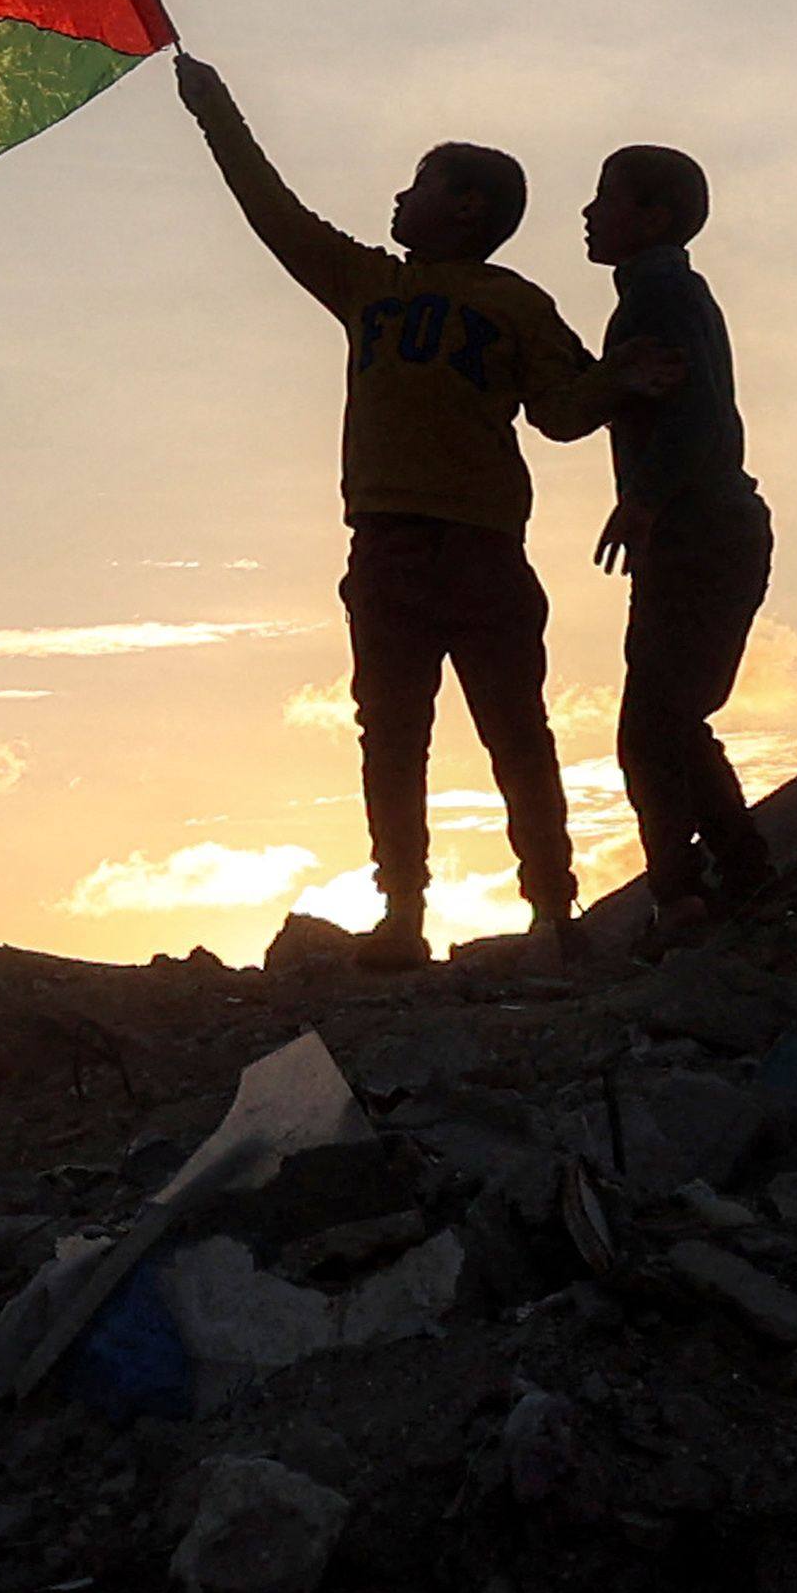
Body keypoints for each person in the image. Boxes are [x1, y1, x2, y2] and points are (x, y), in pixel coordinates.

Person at [173, 50, 597, 971]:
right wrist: (217, 116)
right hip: (389, 548)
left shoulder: (516, 304)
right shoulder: (369, 284)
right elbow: (274, 216)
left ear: (467, 208)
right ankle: (403, 912)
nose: (399, 202)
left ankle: (554, 909)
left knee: (514, 730)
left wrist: (625, 387)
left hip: (483, 548)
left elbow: (563, 414)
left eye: (419, 187)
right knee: (393, 735)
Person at [568, 143, 774, 922]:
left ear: (652, 217)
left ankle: (689, 898)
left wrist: (645, 499)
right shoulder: (664, 293)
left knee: (653, 729)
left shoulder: (657, 296)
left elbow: (701, 416)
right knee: (670, 722)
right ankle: (739, 880)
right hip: (706, 532)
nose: (589, 214)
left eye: (605, 197)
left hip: (701, 532)